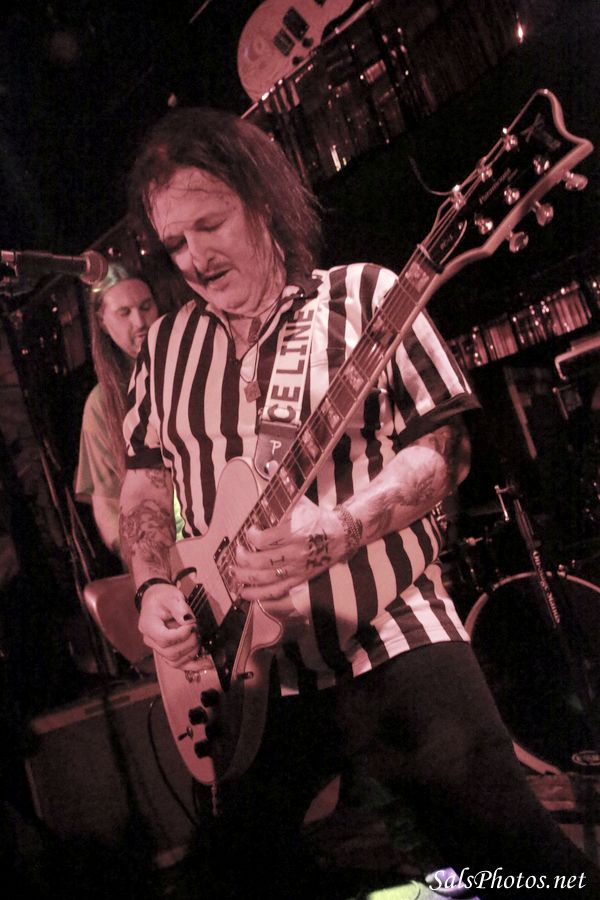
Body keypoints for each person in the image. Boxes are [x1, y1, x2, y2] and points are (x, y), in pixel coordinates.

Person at [119, 107, 600, 899]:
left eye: (210, 224)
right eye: (175, 243)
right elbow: (145, 483)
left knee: (521, 868)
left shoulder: (368, 297)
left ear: (261, 200)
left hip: (389, 635)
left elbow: (446, 452)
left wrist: (338, 529)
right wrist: (152, 584)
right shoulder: (166, 349)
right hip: (242, 676)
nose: (195, 259)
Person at [75, 262, 170, 559]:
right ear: (103, 323)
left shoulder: (186, 365)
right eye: (124, 313)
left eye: (146, 307)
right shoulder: (102, 404)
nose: (140, 321)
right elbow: (107, 506)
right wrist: (146, 562)